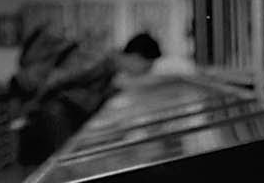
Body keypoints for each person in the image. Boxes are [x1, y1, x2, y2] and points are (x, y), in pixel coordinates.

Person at [12, 29, 162, 163]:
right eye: (148, 65)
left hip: (62, 117)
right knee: (65, 165)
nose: (147, 71)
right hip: (57, 116)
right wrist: (29, 108)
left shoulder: (109, 69)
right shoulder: (97, 59)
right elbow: (55, 80)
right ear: (136, 57)